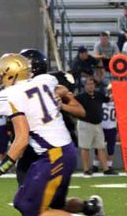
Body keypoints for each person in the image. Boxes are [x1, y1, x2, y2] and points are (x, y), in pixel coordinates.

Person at [0, 53, 107, 216]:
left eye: (1, 74)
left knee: (27, 207)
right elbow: (59, 89)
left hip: (52, 155)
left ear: (12, 74)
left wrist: (1, 167)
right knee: (37, 204)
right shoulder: (44, 81)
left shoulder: (11, 96)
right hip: (60, 151)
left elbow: (21, 138)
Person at [16, 49, 84, 185]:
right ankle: (88, 207)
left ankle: (86, 207)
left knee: (48, 197)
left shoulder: (53, 83)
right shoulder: (20, 88)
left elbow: (80, 111)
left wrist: (60, 105)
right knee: (26, 192)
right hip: (33, 146)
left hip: (56, 146)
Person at [75, 77, 116, 176]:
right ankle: (86, 169)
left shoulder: (98, 95)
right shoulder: (80, 97)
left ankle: (106, 169)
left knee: (101, 147)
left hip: (97, 124)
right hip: (85, 123)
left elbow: (109, 99)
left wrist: (116, 89)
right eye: (88, 84)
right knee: (85, 147)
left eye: (92, 84)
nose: (90, 86)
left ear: (94, 85)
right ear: (85, 86)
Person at [101, 84, 117, 170]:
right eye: (110, 90)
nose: (111, 93)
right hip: (102, 127)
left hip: (112, 127)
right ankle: (96, 164)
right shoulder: (102, 100)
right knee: (99, 147)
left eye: (113, 90)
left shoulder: (117, 102)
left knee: (111, 148)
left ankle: (109, 165)